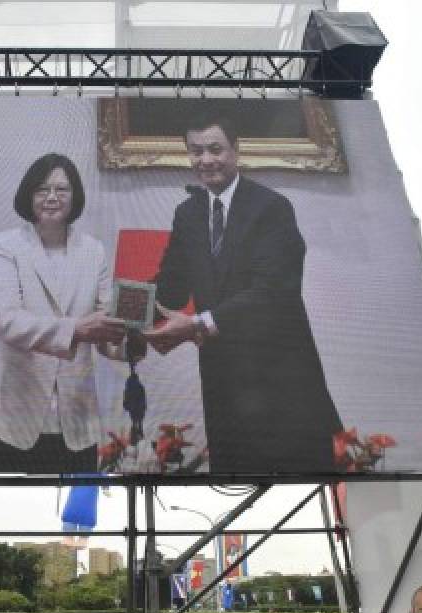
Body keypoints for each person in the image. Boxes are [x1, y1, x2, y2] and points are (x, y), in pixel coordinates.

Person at [143, 114, 342, 474]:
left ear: (236, 150)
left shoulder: (271, 207)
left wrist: (196, 325)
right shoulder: (187, 214)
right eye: (196, 151)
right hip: (225, 385)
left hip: (282, 381)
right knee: (237, 470)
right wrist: (123, 315)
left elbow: (272, 292)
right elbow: (170, 286)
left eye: (216, 149)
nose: (206, 160)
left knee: (306, 473)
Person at [0, 152, 128, 474]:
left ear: (75, 196)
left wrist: (131, 341)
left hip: (74, 425)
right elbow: (6, 320)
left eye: (61, 189)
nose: (52, 197)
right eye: (42, 189)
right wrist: (77, 329)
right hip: (5, 417)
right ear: (29, 196)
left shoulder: (93, 251)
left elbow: (105, 326)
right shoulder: (6, 245)